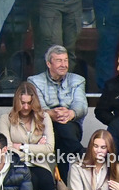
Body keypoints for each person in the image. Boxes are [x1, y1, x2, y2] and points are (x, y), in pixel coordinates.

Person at [0, 82, 56, 190]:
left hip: (40, 164)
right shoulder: (6, 118)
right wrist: (37, 147)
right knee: (31, 180)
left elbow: (49, 149)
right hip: (17, 164)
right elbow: (6, 149)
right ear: (16, 101)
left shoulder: (44, 118)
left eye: (29, 103)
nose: (25, 107)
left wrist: (22, 146)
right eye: (22, 103)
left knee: (47, 181)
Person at [27, 45, 86, 179]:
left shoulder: (77, 80)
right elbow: (37, 106)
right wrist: (50, 114)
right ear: (48, 63)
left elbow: (81, 105)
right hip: (44, 126)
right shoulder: (34, 81)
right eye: (59, 60)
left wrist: (71, 113)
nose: (64, 65)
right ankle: (80, 152)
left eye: (66, 60)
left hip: (71, 124)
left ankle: (61, 182)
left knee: (62, 129)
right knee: (59, 132)